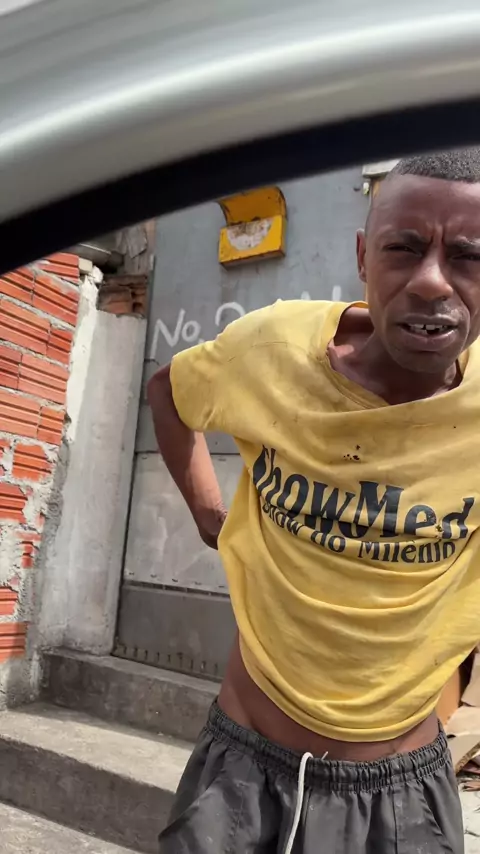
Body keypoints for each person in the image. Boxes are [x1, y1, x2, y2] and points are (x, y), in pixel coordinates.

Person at [149, 149, 480, 853]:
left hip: (400, 801)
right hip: (238, 780)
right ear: (363, 256)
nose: (431, 280)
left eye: (469, 256)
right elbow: (168, 395)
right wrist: (210, 515)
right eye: (404, 248)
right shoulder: (270, 350)